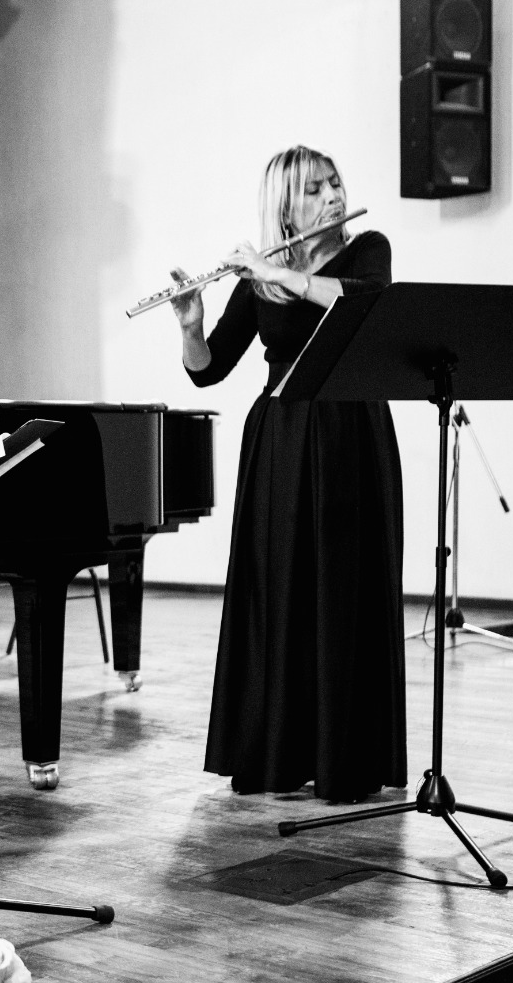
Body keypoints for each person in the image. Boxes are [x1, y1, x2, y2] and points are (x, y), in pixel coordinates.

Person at [173, 145, 406, 800]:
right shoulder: (261, 277)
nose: (333, 196)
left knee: (343, 588)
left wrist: (282, 276)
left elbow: (367, 303)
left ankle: (345, 759)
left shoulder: (367, 251)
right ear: (285, 204)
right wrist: (191, 325)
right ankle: (273, 751)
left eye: (334, 183)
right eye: (313, 189)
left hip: (349, 432)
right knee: (276, 588)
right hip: (280, 437)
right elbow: (209, 368)